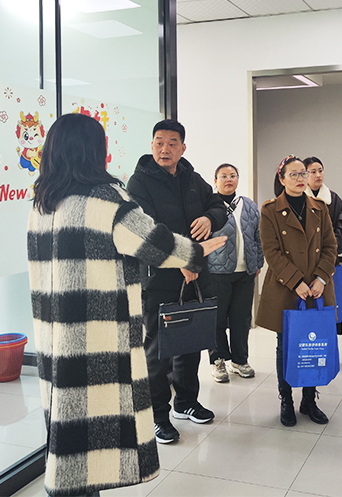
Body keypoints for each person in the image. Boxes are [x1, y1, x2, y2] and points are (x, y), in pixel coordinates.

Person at [27, 113, 225, 496]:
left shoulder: (43, 201)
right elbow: (153, 243)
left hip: (55, 335)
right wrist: (196, 252)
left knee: (68, 427)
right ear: (93, 151)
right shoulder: (107, 198)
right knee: (97, 428)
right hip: (99, 335)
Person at [126, 119, 227, 444]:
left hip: (197, 276)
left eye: (172, 143)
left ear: (183, 148)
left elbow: (218, 206)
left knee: (190, 341)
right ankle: (158, 416)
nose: (164, 149)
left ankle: (186, 402)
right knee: (159, 351)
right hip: (160, 278)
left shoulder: (192, 178)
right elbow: (147, 230)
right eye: (159, 142)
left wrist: (208, 218)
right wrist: (181, 259)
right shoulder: (139, 182)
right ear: (151, 145)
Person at [256, 155, 337, 427]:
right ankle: (287, 400)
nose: (301, 178)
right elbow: (272, 252)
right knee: (286, 346)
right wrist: (296, 282)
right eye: (294, 174)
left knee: (313, 344)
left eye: (304, 173)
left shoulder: (319, 208)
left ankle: (309, 400)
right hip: (287, 288)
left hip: (315, 288)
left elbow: (330, 246)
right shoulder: (270, 210)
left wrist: (321, 278)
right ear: (282, 179)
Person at [207, 163, 264, 383]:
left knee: (241, 319)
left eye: (232, 175)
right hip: (217, 272)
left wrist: (258, 261)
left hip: (245, 272)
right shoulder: (209, 206)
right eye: (223, 176)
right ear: (215, 181)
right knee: (217, 319)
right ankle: (218, 360)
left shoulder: (247, 205)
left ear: (238, 179)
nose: (228, 179)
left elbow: (258, 236)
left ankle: (240, 360)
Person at [303, 157, 342, 334]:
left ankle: (328, 344)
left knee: (330, 306)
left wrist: (329, 252)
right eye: (312, 172)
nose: (318, 175)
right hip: (304, 264)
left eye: (320, 170)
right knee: (306, 310)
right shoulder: (299, 199)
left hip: (328, 263)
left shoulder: (333, 199)